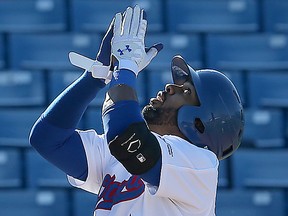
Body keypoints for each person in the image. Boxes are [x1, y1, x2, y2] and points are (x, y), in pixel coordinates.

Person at [29, 5, 244, 216]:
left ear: (199, 123)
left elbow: (125, 135)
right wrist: (94, 78)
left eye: (185, 91)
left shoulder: (200, 165)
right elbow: (48, 140)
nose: (170, 87)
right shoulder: (125, 151)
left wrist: (126, 68)